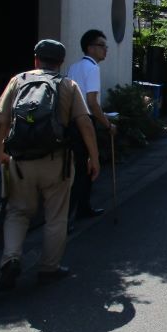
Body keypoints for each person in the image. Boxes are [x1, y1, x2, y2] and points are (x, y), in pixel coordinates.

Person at [0, 39, 100, 290]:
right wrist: (93, 157)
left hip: (20, 162)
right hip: (56, 162)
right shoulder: (67, 85)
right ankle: (49, 268)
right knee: (56, 216)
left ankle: (10, 258)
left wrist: (0, 153)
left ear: (35, 59)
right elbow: (84, 123)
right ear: (61, 62)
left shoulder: (17, 81)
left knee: (17, 212)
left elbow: (3, 121)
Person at [67, 29, 116, 221]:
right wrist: (107, 124)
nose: (106, 50)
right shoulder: (93, 68)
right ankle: (72, 216)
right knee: (84, 169)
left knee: (79, 169)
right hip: (85, 123)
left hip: (71, 123)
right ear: (90, 48)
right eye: (102, 46)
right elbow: (92, 103)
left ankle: (83, 208)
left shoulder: (74, 67)